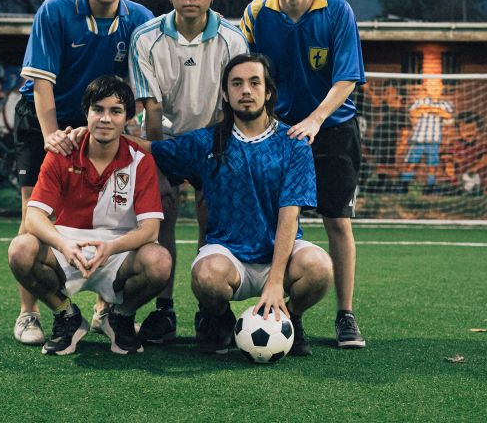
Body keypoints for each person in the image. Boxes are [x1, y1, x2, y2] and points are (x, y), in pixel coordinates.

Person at [51, 55, 333, 356]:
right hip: (229, 254)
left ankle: (290, 319)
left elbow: (289, 216)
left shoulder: (294, 143)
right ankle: (220, 320)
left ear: (269, 92)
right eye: (236, 84)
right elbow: (152, 149)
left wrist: (276, 282)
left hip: (280, 254)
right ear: (225, 93)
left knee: (319, 268)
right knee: (206, 276)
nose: (246, 90)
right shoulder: (207, 142)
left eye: (254, 83)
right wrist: (92, 131)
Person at [12, 0, 154, 345]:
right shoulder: (56, 10)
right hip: (47, 114)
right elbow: (41, 83)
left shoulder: (139, 18)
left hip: (103, 115)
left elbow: (140, 86)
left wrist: (131, 128)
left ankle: (104, 309)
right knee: (33, 212)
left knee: (112, 209)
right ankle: (30, 313)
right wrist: (52, 136)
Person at [240, 0, 367, 349]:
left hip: (331, 130)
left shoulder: (337, 11)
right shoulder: (257, 13)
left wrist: (315, 119)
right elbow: (242, 69)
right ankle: (269, 310)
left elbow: (347, 77)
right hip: (276, 133)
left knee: (337, 221)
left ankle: (345, 315)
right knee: (276, 218)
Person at [128, 0, 248, 343]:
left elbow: (232, 103)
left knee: (210, 220)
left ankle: (209, 312)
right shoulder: (146, 38)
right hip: (163, 139)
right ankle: (165, 311)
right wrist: (159, 161)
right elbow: (151, 106)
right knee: (161, 215)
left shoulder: (233, 39)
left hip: (214, 140)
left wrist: (216, 157)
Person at [7, 75, 170, 355]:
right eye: (98, 109)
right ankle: (66, 315)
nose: (105, 118)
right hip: (69, 245)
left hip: (117, 251)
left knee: (159, 261)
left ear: (127, 118)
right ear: (87, 113)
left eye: (115, 111)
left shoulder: (140, 160)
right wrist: (63, 244)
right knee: (20, 249)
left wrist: (111, 247)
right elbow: (33, 217)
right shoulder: (62, 152)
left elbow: (150, 230)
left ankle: (121, 317)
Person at [401, 78, 453, 188]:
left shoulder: (445, 104)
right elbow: (414, 113)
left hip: (433, 140)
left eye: (437, 87)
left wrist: (428, 109)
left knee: (432, 166)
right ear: (427, 89)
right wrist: (435, 110)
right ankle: (404, 185)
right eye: (432, 87)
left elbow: (448, 115)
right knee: (410, 163)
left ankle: (430, 186)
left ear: (441, 88)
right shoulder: (420, 102)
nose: (434, 90)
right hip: (418, 139)